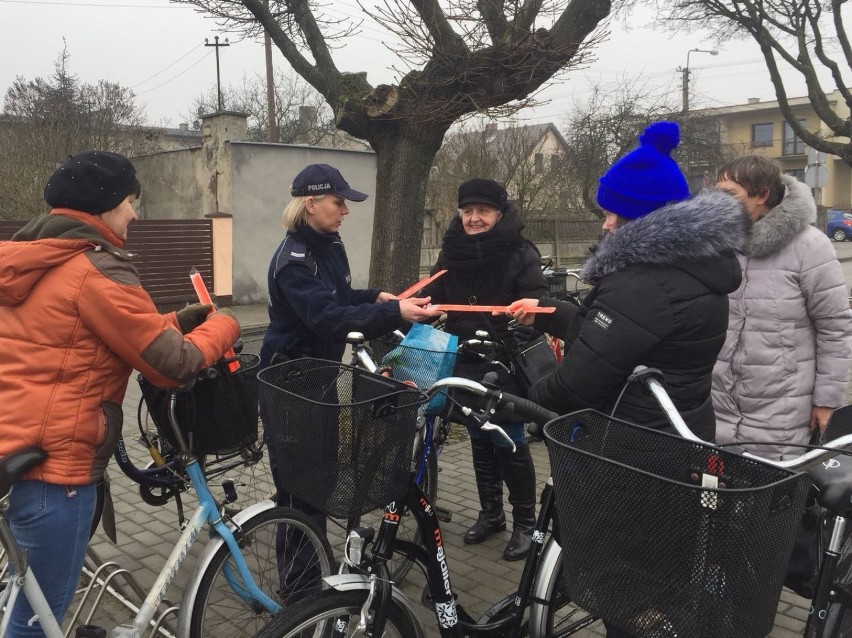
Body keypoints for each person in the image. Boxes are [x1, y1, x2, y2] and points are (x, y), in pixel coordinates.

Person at [506, 122, 746, 637]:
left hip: (635, 452)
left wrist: (518, 403)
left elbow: (580, 381)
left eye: (615, 212)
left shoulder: (643, 283)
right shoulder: (691, 267)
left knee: (628, 596)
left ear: (645, 219)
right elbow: (630, 340)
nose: (607, 224)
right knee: (659, 578)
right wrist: (552, 313)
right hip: (675, 439)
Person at [0, 150, 240, 637]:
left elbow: (92, 333)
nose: (134, 213)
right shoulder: (96, 271)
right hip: (56, 471)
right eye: (131, 201)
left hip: (16, 451)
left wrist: (176, 322)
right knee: (36, 622)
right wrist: (226, 326)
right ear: (106, 205)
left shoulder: (30, 259)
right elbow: (175, 365)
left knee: (20, 603)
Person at [259, 163, 440, 594]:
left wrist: (377, 297)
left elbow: (341, 297)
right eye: (338, 202)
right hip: (290, 381)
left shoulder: (327, 245)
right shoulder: (294, 262)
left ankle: (312, 565)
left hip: (317, 378)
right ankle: (300, 589)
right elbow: (327, 318)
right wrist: (394, 313)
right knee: (299, 487)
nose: (345, 210)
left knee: (316, 477)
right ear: (311, 204)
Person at [421, 177, 547, 561]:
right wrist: (423, 305)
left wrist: (524, 315)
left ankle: (525, 522)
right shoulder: (451, 251)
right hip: (465, 357)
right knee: (479, 436)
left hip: (504, 359)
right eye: (468, 211)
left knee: (508, 438)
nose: (474, 218)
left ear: (499, 213)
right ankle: (491, 513)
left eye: (483, 211)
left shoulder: (520, 252)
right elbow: (437, 293)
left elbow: (538, 301)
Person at [713, 155, 852, 460]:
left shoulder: (810, 246)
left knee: (773, 500)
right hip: (719, 406)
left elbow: (835, 328)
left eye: (730, 195)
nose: (718, 203)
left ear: (762, 195)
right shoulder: (720, 244)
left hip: (783, 411)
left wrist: (826, 401)